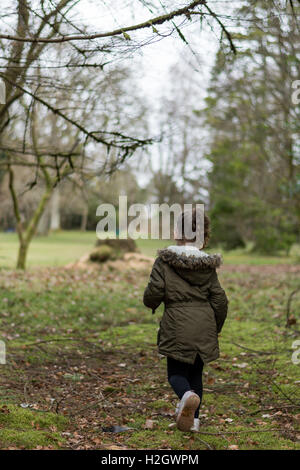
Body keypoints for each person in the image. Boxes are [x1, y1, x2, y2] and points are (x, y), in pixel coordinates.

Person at [143, 209, 228, 432]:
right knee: (196, 374)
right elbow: (219, 299)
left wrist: (151, 302)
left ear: (175, 233)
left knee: (176, 374)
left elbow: (154, 291)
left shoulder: (164, 262)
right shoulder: (207, 266)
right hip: (204, 327)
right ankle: (194, 423)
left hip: (177, 326)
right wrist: (215, 327)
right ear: (203, 237)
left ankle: (186, 396)